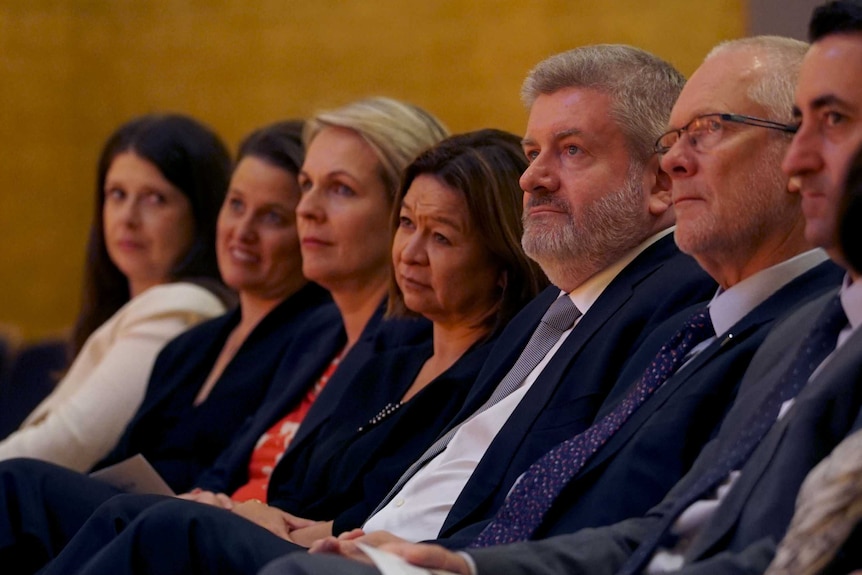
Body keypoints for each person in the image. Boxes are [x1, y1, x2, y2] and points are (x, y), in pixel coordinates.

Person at [27, 45, 717, 575]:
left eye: (570, 151)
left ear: (660, 179)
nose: (534, 175)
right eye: (533, 152)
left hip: (420, 559)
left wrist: (390, 544)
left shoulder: (660, 300)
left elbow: (564, 495)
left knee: (156, 528)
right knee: (53, 493)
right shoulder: (550, 318)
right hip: (361, 541)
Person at [269, 3, 862, 574]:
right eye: (675, 137)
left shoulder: (695, 305)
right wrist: (469, 564)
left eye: (707, 131)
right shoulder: (745, 327)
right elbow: (664, 526)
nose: (531, 178)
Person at [0, 97, 446, 575]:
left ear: (404, 210)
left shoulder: (419, 343)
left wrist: (252, 514)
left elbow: (381, 502)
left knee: (132, 517)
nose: (308, 210)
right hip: (221, 517)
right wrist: (211, 496)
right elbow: (231, 459)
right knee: (21, 485)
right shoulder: (317, 333)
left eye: (339, 190)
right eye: (306, 187)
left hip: (290, 544)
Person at [91, 120, 331, 491]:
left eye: (272, 217)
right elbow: (114, 462)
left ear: (308, 229)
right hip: (117, 523)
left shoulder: (314, 345)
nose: (242, 231)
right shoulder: (188, 346)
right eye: (236, 205)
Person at [0, 113, 232, 471]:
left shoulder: (182, 306)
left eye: (155, 199)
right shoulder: (143, 308)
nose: (127, 217)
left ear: (202, 213)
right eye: (117, 194)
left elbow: (69, 443)